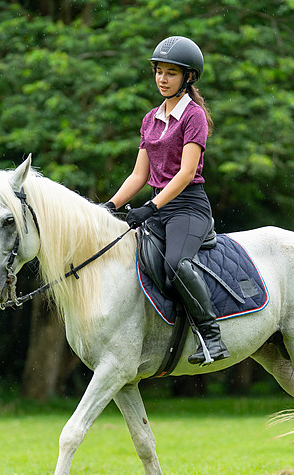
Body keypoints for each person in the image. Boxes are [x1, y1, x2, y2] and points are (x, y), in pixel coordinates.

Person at [103, 36, 229, 365]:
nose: (162, 79)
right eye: (159, 71)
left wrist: (150, 207)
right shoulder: (150, 119)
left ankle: (212, 336)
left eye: (171, 73)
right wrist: (109, 206)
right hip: (157, 208)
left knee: (176, 263)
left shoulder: (193, 116)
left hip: (188, 207)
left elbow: (186, 173)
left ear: (188, 77)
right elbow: (138, 175)